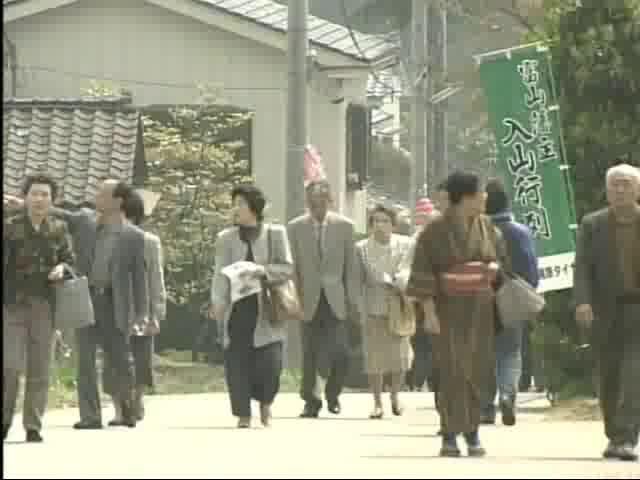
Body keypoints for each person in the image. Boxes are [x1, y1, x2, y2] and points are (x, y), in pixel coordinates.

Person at [406, 171, 508, 458]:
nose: (485, 197)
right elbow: (423, 273)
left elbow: (500, 261)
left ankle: (473, 432)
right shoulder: (434, 231)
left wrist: (493, 270)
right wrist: (429, 313)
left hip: (480, 307)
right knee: (451, 370)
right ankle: (450, 433)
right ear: (465, 196)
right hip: (446, 307)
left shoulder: (487, 225)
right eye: (480, 193)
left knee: (477, 368)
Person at [42, 179, 148, 429]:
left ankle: (128, 410)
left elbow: (139, 276)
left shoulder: (134, 236)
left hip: (115, 302)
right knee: (85, 360)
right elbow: (62, 213)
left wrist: (142, 312)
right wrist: (29, 204)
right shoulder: (86, 221)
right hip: (85, 298)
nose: (96, 196)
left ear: (117, 201)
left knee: (121, 359)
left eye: (102, 193)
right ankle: (90, 417)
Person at [209, 184, 294, 428]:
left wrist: (262, 271)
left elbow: (287, 268)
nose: (236, 209)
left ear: (254, 208)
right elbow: (219, 274)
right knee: (236, 363)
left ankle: (266, 404)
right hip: (238, 309)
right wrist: (218, 302)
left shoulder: (275, 233)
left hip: (266, 307)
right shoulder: (226, 238)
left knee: (270, 364)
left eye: (241, 204)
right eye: (234, 204)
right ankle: (243, 414)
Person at [574, 163, 640, 462]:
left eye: (626, 184)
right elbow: (583, 268)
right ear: (607, 190)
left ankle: (626, 437)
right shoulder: (593, 224)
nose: (620, 189)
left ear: (637, 189)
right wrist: (582, 302)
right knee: (609, 376)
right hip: (605, 310)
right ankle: (615, 433)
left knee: (634, 375)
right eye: (615, 184)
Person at [3, 175, 75, 443]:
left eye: (45, 194)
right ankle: (4, 419)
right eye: (34, 194)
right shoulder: (9, 227)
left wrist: (62, 268)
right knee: (9, 367)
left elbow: (70, 261)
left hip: (45, 306)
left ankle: (33, 424)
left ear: (52, 199)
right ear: (25, 198)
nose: (39, 199)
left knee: (40, 367)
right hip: (12, 305)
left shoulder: (59, 228)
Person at [287, 180, 359, 418]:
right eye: (313, 204)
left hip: (336, 298)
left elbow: (351, 266)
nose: (318, 208)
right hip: (308, 298)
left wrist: (352, 299)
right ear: (307, 203)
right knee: (310, 352)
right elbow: (294, 267)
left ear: (331, 202)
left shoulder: (345, 226)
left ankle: (333, 393)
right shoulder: (295, 228)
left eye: (322, 203)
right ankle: (311, 399)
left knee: (341, 352)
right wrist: (294, 297)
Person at [102, 191, 166, 424]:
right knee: (112, 359)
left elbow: (155, 278)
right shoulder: (106, 238)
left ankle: (137, 398)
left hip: (141, 307)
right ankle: (119, 409)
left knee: (141, 357)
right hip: (112, 307)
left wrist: (156, 312)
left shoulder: (149, 241)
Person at [482, 178, 539, 426]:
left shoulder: (476, 229)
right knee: (510, 351)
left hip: (480, 298)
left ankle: (486, 406)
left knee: (483, 355)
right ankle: (507, 394)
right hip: (512, 297)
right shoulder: (520, 231)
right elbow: (530, 269)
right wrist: (528, 290)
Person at [356, 205, 414, 419]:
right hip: (374, 306)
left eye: (385, 221)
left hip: (400, 306)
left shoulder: (406, 244)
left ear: (393, 224)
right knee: (374, 358)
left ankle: (395, 395)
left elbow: (409, 268)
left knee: (400, 357)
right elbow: (359, 279)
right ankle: (377, 402)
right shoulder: (361, 248)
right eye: (376, 221)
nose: (380, 225)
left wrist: (401, 279)